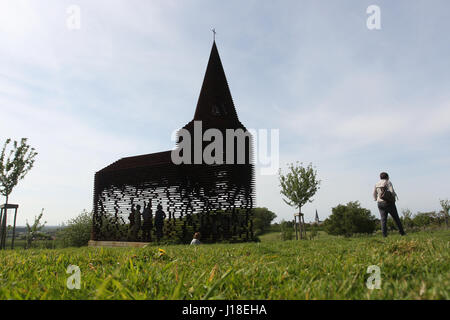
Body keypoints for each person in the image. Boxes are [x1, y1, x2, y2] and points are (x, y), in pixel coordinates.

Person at [373, 172, 406, 237]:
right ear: (387, 177)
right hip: (388, 202)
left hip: (380, 203)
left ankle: (384, 235)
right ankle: (402, 233)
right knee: (396, 218)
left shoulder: (376, 184)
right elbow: (392, 191)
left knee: (383, 220)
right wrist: (394, 197)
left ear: (380, 177)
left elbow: (373, 193)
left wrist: (376, 199)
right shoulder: (388, 182)